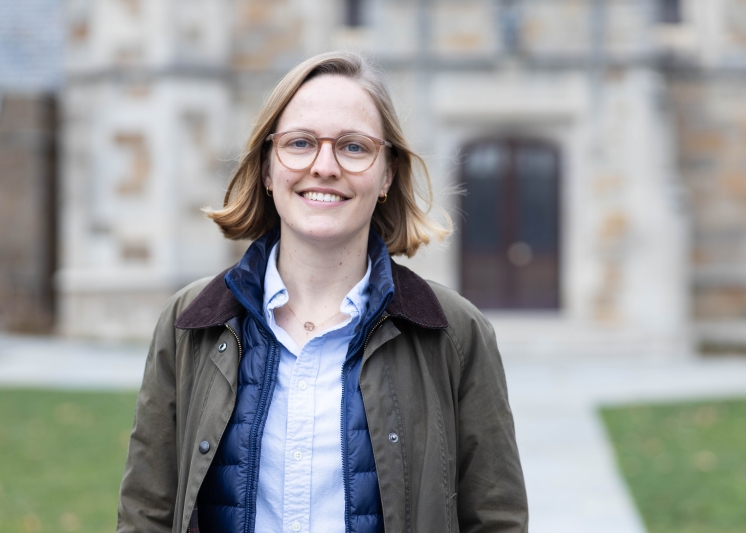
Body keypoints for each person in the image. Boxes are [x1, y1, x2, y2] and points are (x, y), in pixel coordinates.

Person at [117, 51, 528, 533]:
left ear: (387, 174)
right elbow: (146, 513)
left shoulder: (455, 332)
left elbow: (495, 519)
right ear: (268, 169)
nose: (325, 166)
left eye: (354, 147)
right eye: (300, 143)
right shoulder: (191, 321)